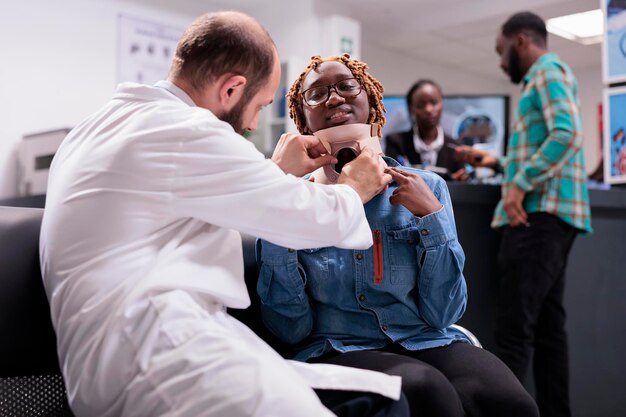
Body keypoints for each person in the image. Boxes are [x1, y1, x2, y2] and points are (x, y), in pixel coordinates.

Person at [39, 11, 411, 417]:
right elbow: (317, 220)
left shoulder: (110, 124)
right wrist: (355, 187)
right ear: (232, 89)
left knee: (384, 400)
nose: (252, 124)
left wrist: (275, 172)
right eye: (260, 106)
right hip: (157, 356)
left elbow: (188, 201)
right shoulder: (187, 131)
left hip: (133, 348)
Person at [256, 54, 539, 417]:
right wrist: (281, 215)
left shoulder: (428, 187)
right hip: (338, 347)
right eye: (317, 94)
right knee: (427, 392)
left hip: (425, 338)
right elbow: (290, 330)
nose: (334, 97)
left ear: (372, 102)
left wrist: (431, 219)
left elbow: (444, 313)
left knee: (512, 404)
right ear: (302, 120)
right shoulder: (295, 201)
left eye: (346, 86)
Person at [455, 11, 592, 417]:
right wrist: (500, 165)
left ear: (520, 41)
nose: (500, 62)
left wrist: (518, 183)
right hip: (554, 216)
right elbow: (550, 141)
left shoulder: (547, 72)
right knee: (549, 333)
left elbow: (567, 134)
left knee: (514, 333)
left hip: (537, 217)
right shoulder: (551, 76)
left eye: (501, 51)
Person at [385, 79, 468, 181]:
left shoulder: (456, 148)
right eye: (420, 105)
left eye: (434, 103)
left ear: (442, 104)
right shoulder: (396, 142)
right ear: (411, 108)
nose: (428, 110)